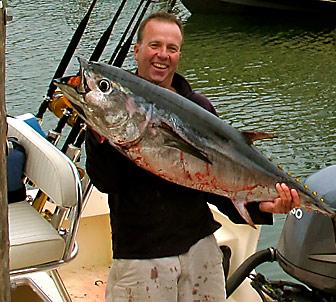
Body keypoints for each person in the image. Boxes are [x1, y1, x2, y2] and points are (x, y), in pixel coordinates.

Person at [85, 11, 301, 302]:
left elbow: (217, 182)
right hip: (141, 255)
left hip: (200, 248)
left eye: (171, 48)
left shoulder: (198, 107)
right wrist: (101, 137)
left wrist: (265, 205)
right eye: (154, 45)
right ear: (137, 51)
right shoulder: (114, 106)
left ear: (179, 55)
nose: (162, 55)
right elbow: (105, 181)